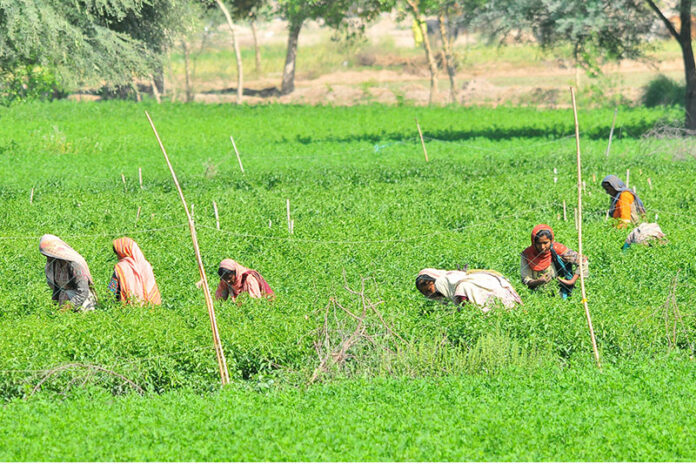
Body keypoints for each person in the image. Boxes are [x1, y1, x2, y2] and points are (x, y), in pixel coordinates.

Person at [520, 224, 588, 299]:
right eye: (539, 243)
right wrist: (538, 281)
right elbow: (525, 280)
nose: (542, 247)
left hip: (558, 291)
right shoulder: (527, 254)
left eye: (545, 243)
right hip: (535, 294)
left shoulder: (558, 249)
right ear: (533, 242)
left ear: (551, 241)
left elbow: (582, 261)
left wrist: (571, 281)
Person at [416, 268, 522, 311]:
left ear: (433, 282)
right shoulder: (454, 278)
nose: (430, 295)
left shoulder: (461, 288)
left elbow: (467, 312)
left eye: (429, 290)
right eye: (425, 293)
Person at [39, 234, 97, 311]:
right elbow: (57, 289)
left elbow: (83, 291)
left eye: (48, 255)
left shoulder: (74, 264)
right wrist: (54, 307)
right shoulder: (55, 263)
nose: (47, 258)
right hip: (64, 302)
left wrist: (67, 308)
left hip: (81, 304)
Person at [108, 237, 161, 305]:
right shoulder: (146, 265)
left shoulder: (121, 267)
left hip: (128, 309)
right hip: (151, 306)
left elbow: (112, 290)